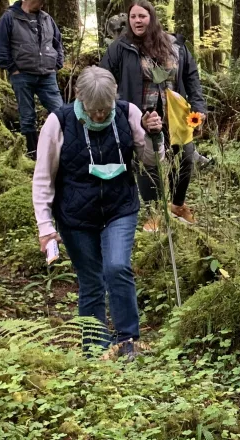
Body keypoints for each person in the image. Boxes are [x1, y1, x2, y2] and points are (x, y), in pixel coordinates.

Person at [32, 67, 163, 356]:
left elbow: (152, 160)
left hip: (119, 208)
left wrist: (155, 134)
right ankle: (95, 348)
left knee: (117, 267)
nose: (100, 115)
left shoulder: (128, 114)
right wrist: (45, 226)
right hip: (75, 216)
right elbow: (43, 177)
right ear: (80, 99)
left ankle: (128, 341)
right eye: (94, 110)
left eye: (105, 109)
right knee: (91, 280)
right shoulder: (59, 122)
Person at [100, 0, 206, 229]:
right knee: (148, 162)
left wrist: (199, 107)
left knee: (186, 157)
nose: (137, 21)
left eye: (142, 16)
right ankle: (153, 213)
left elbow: (191, 77)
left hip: (175, 114)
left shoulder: (174, 44)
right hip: (141, 116)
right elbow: (103, 78)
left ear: (152, 18)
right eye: (133, 17)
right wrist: (115, 109)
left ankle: (178, 205)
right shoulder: (121, 47)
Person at [0, 0, 65, 158]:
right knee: (27, 116)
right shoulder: (10, 18)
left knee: (60, 111)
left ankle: (62, 148)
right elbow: (0, 46)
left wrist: (57, 63)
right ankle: (33, 154)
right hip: (22, 75)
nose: (43, 0)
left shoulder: (47, 18)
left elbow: (57, 42)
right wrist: (12, 68)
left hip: (47, 75)